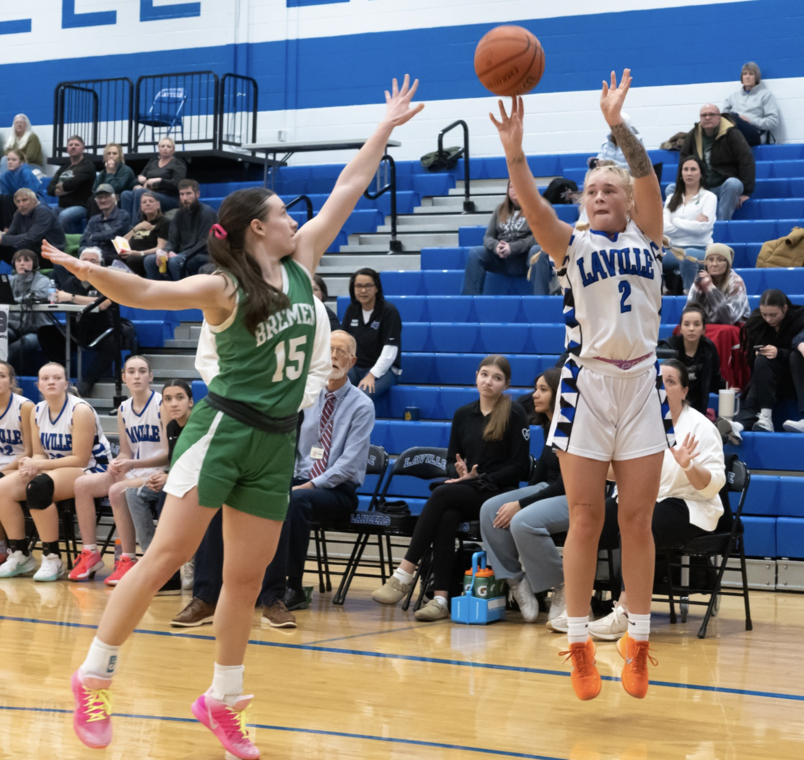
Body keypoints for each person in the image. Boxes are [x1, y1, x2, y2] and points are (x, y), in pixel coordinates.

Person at [43, 73, 422, 758]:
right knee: (166, 556)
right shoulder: (223, 286)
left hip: (277, 442)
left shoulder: (303, 262)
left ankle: (222, 699)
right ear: (258, 228)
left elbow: (350, 185)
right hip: (224, 430)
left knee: (245, 581)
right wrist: (87, 270)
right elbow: (146, 291)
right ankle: (93, 676)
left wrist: (384, 127)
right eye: (282, 214)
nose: (294, 220)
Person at [488, 71, 672, 701]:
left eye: (608, 188)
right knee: (587, 516)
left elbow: (645, 175)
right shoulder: (569, 246)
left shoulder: (650, 235)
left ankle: (637, 643)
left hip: (641, 383)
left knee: (638, 518)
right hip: (586, 387)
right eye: (591, 190)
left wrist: (618, 126)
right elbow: (533, 204)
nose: (598, 195)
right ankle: (580, 645)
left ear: (628, 201)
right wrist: (515, 153)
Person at [171, 295, 333, 628]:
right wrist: (236, 396)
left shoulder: (310, 305)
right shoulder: (228, 295)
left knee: (275, 510)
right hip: (231, 414)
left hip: (280, 420)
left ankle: (273, 597)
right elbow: (207, 358)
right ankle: (206, 597)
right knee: (213, 505)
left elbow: (319, 367)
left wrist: (289, 401)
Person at [372, 354, 530, 621]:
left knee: (441, 493)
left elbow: (520, 467)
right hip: (468, 489)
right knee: (446, 516)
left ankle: (404, 573)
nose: (488, 381)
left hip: (498, 493)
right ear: (476, 376)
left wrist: (483, 478)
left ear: (506, 384)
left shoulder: (515, 413)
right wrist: (459, 473)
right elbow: (449, 461)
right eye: (484, 374)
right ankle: (440, 600)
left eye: (497, 378)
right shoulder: (463, 414)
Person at [591, 360, 726, 640]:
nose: (662, 387)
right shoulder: (637, 423)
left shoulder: (701, 427)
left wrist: (689, 465)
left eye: (670, 382)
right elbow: (616, 474)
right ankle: (576, 605)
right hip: (640, 499)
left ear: (685, 391)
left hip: (688, 504)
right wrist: (600, 458)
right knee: (590, 523)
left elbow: (713, 485)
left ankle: (627, 612)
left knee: (637, 527)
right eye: (657, 382)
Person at [262, 330, 375, 628]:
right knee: (264, 492)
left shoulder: (362, 405)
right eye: (329, 350)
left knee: (297, 499)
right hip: (300, 480)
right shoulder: (307, 396)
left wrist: (312, 483)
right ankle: (255, 581)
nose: (334, 356)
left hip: (338, 491)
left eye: (341, 351)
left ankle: (293, 587)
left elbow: (349, 463)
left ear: (352, 361)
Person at [0, 362, 111, 582]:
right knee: (3, 488)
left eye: (57, 378)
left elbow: (80, 458)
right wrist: (32, 463)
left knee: (39, 487)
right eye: (46, 379)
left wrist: (39, 466)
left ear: (66, 384)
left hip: (93, 468)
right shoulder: (38, 411)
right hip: (55, 468)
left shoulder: (80, 410)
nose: (51, 382)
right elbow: (40, 453)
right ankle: (19, 553)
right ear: (38, 385)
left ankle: (51, 557)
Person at [479, 367, 568, 626]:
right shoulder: (550, 424)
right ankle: (517, 582)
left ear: (559, 394)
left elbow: (564, 484)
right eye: (536, 388)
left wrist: (522, 503)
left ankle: (562, 585)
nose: (535, 395)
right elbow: (542, 474)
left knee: (522, 519)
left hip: (574, 496)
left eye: (543, 390)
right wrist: (521, 497)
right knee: (489, 510)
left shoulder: (571, 427)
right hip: (549, 490)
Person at [68, 356, 168, 585]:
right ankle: (90, 553)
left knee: (116, 490)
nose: (137, 376)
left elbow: (167, 454)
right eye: (131, 371)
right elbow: (125, 452)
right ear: (124, 377)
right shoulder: (123, 408)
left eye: (142, 371)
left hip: (157, 473)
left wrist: (132, 464)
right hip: (135, 471)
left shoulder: (161, 405)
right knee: (81, 484)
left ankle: (128, 559)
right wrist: (117, 462)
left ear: (151, 376)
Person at [124, 379, 193, 595]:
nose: (174, 403)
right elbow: (174, 462)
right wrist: (162, 475)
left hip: (196, 486)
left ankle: (186, 562)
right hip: (175, 482)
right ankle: (155, 565)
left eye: (180, 398)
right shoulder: (171, 426)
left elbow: (199, 467)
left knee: (165, 491)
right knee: (134, 494)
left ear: (191, 402)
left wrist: (169, 477)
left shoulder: (197, 427)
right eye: (168, 399)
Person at [717, 289, 804, 441]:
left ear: (785, 308)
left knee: (794, 356)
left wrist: (779, 353)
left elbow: (796, 355)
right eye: (765, 314)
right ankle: (760, 419)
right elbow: (751, 362)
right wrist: (757, 354)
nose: (768, 319)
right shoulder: (758, 322)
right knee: (761, 362)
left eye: (773, 315)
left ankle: (741, 423)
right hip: (768, 379)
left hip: (796, 378)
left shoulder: (799, 319)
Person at [37, 248, 119, 398]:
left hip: (102, 329)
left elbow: (102, 304)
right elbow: (60, 298)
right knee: (45, 332)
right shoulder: (71, 282)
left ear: (100, 265)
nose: (87, 263)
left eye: (93, 261)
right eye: (84, 260)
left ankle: (86, 383)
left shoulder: (108, 281)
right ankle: (62, 374)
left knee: (114, 341)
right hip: (76, 328)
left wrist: (71, 297)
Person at [461, 180, 557, 296]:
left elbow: (540, 237)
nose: (514, 190)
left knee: (537, 251)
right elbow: (488, 237)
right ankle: (470, 300)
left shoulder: (539, 207)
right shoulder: (500, 209)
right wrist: (496, 246)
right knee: (475, 253)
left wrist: (512, 247)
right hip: (503, 259)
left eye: (518, 186)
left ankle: (540, 299)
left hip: (525, 258)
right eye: (511, 187)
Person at [674, 105, 755, 221]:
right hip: (701, 187)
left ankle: (722, 223)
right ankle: (688, 224)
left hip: (723, 186)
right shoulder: (693, 135)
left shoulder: (732, 134)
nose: (707, 117)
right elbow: (683, 162)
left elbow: (746, 160)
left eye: (711, 114)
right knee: (671, 189)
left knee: (733, 183)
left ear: (719, 117)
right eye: (704, 115)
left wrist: (746, 192)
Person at [341, 267, 402, 401]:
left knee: (361, 396)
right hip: (356, 366)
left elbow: (390, 351)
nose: (363, 290)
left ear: (376, 288)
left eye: (368, 286)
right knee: (333, 388)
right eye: (359, 286)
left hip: (386, 370)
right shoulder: (352, 310)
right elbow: (344, 342)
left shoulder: (389, 312)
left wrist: (372, 375)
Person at [142, 180, 217, 280]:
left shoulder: (207, 212)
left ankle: (183, 289)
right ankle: (159, 289)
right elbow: (172, 240)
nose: (185, 198)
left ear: (197, 194)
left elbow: (204, 242)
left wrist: (183, 255)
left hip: (202, 254)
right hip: (182, 253)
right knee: (149, 260)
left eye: (188, 193)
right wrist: (165, 252)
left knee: (175, 261)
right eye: (182, 194)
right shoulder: (178, 214)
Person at [662, 157, 717, 293]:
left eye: (693, 169)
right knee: (649, 255)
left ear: (701, 174)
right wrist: (693, 224)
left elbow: (703, 228)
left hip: (700, 249)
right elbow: (664, 228)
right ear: (681, 173)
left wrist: (675, 221)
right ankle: (661, 290)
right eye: (685, 169)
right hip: (674, 250)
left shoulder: (709, 197)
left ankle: (689, 294)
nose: (689, 173)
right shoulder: (671, 198)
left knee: (688, 256)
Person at [0, 361, 35, 566]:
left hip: (21, 465)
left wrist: (6, 469)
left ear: (11, 381)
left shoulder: (25, 406)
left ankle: (5, 548)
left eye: (2, 376)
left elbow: (30, 451)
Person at [658, 304, 721, 416]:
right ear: (680, 329)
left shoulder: (709, 348)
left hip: (698, 410)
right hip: (670, 409)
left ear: (704, 329)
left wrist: (727, 387)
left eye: (696, 324)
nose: (691, 328)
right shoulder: (667, 348)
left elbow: (715, 379)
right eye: (687, 324)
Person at [120, 137, 186, 220]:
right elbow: (141, 177)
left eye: (168, 146)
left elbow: (178, 184)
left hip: (169, 197)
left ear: (173, 149)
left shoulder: (178, 164)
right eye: (162, 146)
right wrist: (137, 183)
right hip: (149, 192)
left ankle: (136, 224)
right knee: (126, 194)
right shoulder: (153, 162)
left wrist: (160, 180)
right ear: (159, 148)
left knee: (141, 192)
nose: (165, 148)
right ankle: (126, 224)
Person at [7, 249, 50, 374]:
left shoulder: (43, 280)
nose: (22, 263)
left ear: (34, 264)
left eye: (26, 260)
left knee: (14, 349)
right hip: (13, 327)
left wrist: (11, 301)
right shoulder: (9, 280)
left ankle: (6, 379)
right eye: (18, 260)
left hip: (36, 331)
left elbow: (35, 296)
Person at [686, 244, 750, 325]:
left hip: (733, 327)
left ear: (728, 264)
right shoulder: (701, 279)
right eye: (710, 259)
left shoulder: (736, 282)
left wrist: (709, 287)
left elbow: (729, 319)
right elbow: (688, 314)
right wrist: (697, 289)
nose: (714, 264)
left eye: (720, 260)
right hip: (707, 326)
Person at [0, 188, 66, 265]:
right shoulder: (19, 213)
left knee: (23, 245)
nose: (21, 204)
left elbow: (31, 238)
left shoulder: (43, 212)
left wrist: (3, 239)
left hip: (50, 253)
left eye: (24, 200)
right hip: (31, 249)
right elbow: (10, 234)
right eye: (18, 201)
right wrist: (2, 238)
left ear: (34, 200)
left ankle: (25, 270)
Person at [722, 62, 780, 146]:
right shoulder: (733, 96)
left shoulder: (766, 95)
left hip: (755, 133)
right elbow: (723, 117)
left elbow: (773, 122)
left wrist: (751, 121)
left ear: (756, 77)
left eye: (751, 74)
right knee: (712, 117)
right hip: (734, 132)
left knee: (733, 117)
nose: (747, 77)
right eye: (745, 74)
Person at [47, 135, 96, 234]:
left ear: (82, 149)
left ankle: (71, 242)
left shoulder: (87, 165)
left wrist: (62, 186)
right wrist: (67, 187)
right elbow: (50, 189)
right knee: (48, 215)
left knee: (64, 216)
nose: (73, 147)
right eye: (71, 145)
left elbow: (71, 184)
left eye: (77, 145)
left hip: (81, 207)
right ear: (67, 149)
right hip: (62, 206)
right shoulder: (64, 168)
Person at [118, 191, 171, 276]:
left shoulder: (164, 222)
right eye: (144, 202)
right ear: (141, 207)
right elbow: (120, 242)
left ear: (158, 205)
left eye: (151, 201)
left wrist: (138, 253)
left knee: (133, 260)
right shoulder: (140, 223)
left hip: (146, 256)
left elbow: (160, 248)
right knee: (115, 258)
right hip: (132, 254)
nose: (147, 204)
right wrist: (136, 228)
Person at [78, 184, 132, 263]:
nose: (103, 200)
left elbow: (113, 235)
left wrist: (93, 236)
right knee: (84, 251)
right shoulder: (94, 219)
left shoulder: (123, 215)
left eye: (106, 196)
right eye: (100, 197)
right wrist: (97, 244)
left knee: (91, 256)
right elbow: (83, 240)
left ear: (115, 197)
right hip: (95, 253)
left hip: (114, 256)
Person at [0, 149, 47, 228]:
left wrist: (18, 201)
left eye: (14, 160)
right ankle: (3, 229)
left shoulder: (26, 172)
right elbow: (5, 194)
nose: (10, 162)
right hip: (15, 201)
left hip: (34, 200)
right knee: (2, 198)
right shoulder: (4, 176)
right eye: (8, 159)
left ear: (21, 162)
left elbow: (30, 193)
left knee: (7, 199)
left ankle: (8, 228)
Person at [88, 143, 137, 218]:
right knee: (92, 199)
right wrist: (101, 196)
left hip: (120, 199)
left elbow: (115, 189)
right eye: (108, 153)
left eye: (114, 153)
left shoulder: (126, 171)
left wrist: (110, 173)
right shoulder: (103, 172)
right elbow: (94, 189)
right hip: (106, 198)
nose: (111, 156)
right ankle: (96, 223)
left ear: (120, 156)